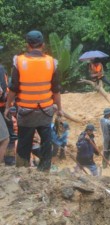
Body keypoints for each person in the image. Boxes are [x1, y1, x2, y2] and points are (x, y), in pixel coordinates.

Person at [4, 30, 63, 171]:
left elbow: (13, 88)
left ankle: (22, 172)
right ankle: (44, 170)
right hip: (46, 111)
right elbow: (56, 90)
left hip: (26, 111)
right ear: (42, 44)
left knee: (24, 142)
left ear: (27, 45)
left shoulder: (19, 61)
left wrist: (7, 106)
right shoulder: (51, 62)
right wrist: (59, 108)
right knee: (46, 141)